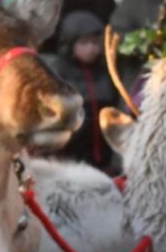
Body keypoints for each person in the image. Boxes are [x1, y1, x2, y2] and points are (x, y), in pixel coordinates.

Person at [45, 11, 122, 172]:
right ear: (70, 44)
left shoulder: (106, 71)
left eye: (95, 43)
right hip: (71, 158)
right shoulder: (59, 73)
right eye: (84, 43)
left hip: (105, 158)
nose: (91, 48)